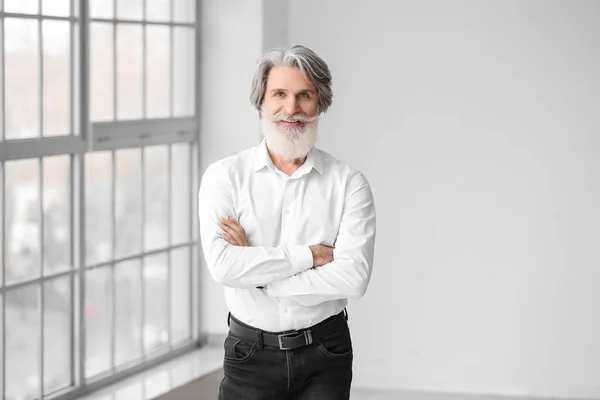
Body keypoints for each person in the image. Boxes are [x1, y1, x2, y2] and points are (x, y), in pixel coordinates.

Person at [198, 45, 376, 400]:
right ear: (261, 101)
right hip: (249, 354)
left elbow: (353, 279)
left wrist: (261, 277)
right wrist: (310, 256)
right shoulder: (224, 177)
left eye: (304, 95)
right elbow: (223, 268)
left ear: (320, 103)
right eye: (279, 94)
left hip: (326, 351)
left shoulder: (348, 183)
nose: (291, 109)